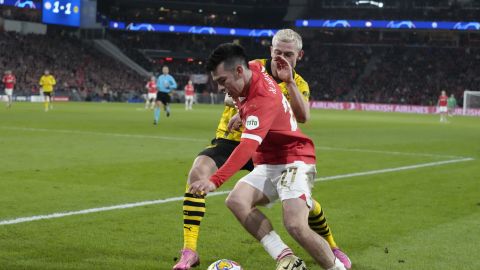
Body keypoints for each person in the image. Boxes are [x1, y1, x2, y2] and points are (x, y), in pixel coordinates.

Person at [173, 30, 351, 270]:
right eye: (277, 52)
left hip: (293, 158)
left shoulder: (276, 90)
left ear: (299, 55)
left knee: (295, 224)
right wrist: (241, 111)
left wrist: (215, 180)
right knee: (236, 201)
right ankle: (284, 256)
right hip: (266, 157)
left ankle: (335, 264)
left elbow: (252, 142)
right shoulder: (254, 68)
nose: (281, 58)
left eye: (223, 82)